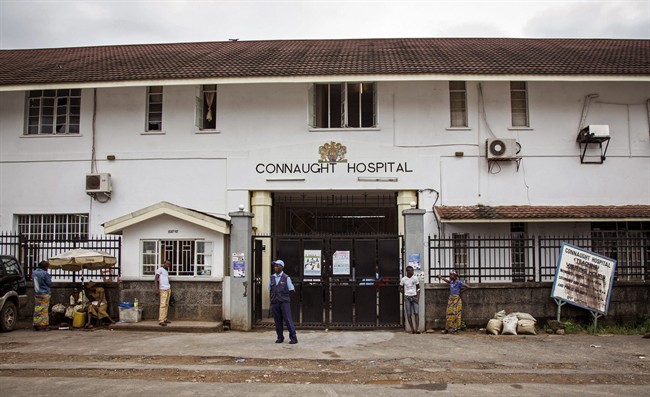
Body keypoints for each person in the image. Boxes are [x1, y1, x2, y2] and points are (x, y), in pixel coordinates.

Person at [268, 259, 297, 344]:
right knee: (277, 321)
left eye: (277, 266)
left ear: (281, 267)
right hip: (275, 302)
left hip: (284, 302)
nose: (275, 267)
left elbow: (292, 289)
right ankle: (280, 337)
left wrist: (284, 296)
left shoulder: (286, 277)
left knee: (288, 320)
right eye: (275, 266)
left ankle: (293, 338)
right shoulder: (272, 277)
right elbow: (270, 289)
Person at [437, 270, 470, 334]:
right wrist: (441, 277)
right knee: (448, 313)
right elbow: (447, 281)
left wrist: (460, 292)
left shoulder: (459, 282)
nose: (450, 276)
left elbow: (468, 287)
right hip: (451, 298)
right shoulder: (451, 282)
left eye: (451, 275)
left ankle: (455, 329)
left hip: (456, 299)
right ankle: (447, 329)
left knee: (456, 314)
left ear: (455, 276)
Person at [400, 265, 420, 334]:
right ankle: (412, 329)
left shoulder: (415, 278)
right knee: (409, 314)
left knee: (416, 313)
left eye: (413, 271)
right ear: (407, 271)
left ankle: (417, 329)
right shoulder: (403, 279)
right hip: (407, 297)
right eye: (411, 271)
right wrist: (405, 294)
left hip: (414, 296)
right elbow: (400, 288)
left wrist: (418, 297)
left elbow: (418, 288)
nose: (412, 272)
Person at [32, 260, 52, 331]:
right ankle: (44, 325)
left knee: (37, 309)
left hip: (37, 293)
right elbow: (49, 283)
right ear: (45, 267)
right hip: (44, 293)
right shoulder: (45, 273)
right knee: (44, 310)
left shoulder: (34, 273)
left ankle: (36, 324)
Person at [154, 260, 172, 326]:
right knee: (163, 305)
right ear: (164, 263)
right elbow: (156, 279)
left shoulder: (166, 271)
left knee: (166, 305)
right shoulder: (160, 269)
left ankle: (164, 318)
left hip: (168, 289)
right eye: (167, 264)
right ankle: (161, 320)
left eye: (169, 264)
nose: (168, 265)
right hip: (163, 289)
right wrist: (156, 289)